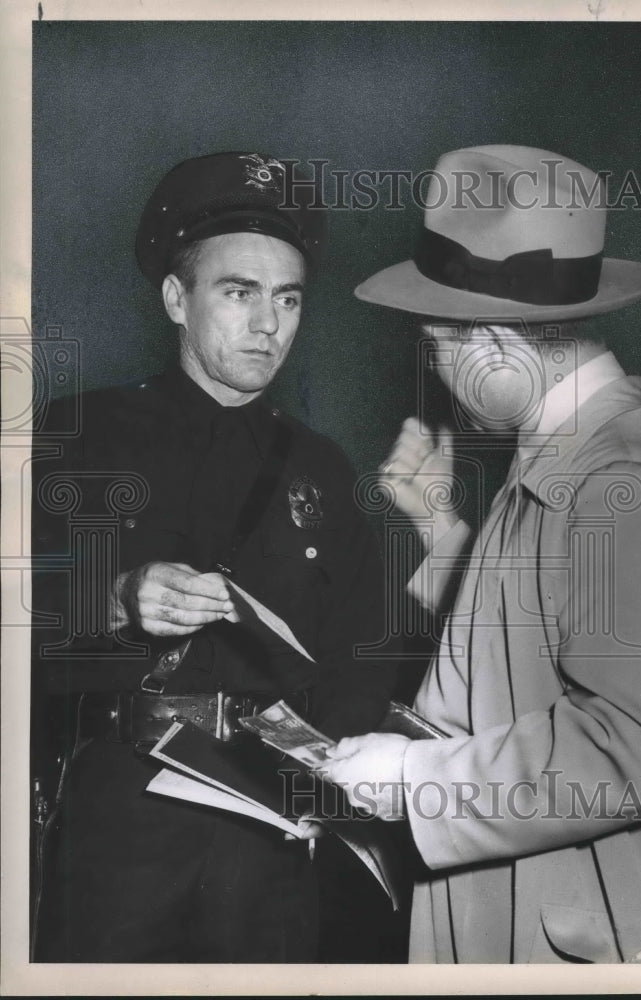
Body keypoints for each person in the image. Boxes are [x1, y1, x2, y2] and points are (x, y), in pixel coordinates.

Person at [321, 145, 641, 963]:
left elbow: (636, 746)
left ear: (492, 340)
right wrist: (444, 535)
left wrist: (415, 778)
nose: (439, 372)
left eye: (438, 347)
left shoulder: (625, 481)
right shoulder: (576, 459)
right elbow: (543, 651)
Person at [31, 151, 397, 962]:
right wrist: (114, 598)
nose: (269, 324)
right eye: (239, 292)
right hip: (119, 823)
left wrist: (321, 778)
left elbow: (364, 653)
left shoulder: (324, 470)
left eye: (288, 298)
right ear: (176, 299)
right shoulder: (80, 434)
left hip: (274, 831)